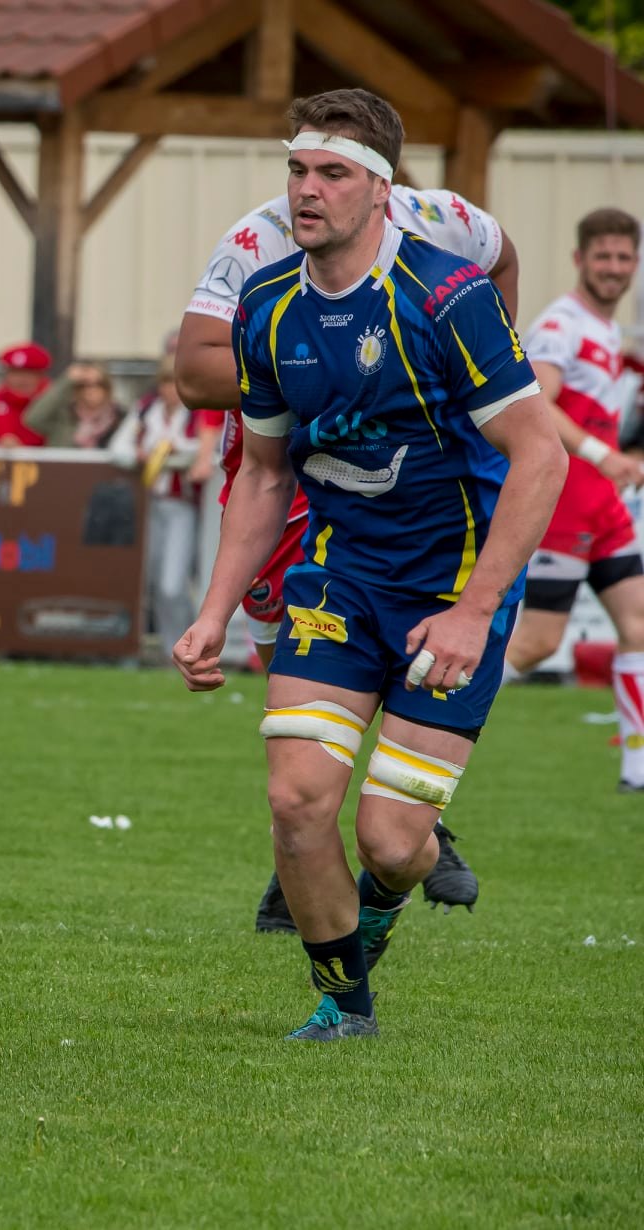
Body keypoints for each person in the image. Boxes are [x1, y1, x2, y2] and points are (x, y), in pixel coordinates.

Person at [173, 89, 566, 1041]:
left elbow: (541, 454)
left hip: (451, 587)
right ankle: (346, 1007)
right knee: (297, 801)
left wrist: (475, 612)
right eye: (298, 172)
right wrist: (216, 608)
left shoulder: (446, 294)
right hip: (339, 578)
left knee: (392, 842)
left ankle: (382, 908)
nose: (308, 192)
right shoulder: (266, 306)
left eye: (333, 174)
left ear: (383, 191)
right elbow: (264, 475)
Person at [500, 209, 644, 783]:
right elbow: (535, 402)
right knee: (535, 643)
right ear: (580, 260)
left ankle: (637, 769)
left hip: (603, 506)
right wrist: (600, 454)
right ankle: (433, 717)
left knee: (637, 625)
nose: (614, 268)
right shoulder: (562, 324)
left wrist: (616, 459)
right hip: (566, 503)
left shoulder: (606, 327)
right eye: (603, 256)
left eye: (624, 257)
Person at [110, 355, 217, 653]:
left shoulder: (198, 412)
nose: (171, 390)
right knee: (155, 580)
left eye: (177, 383)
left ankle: (187, 646)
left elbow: (208, 451)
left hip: (184, 505)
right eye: (166, 383)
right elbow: (118, 448)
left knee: (174, 582)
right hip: (149, 504)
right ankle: (172, 647)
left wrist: (170, 453)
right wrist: (140, 454)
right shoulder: (147, 409)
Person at [23, 362, 123, 449]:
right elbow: (33, 418)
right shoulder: (64, 416)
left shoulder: (119, 417)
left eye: (99, 384)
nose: (91, 389)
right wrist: (66, 381)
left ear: (108, 387)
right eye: (84, 385)